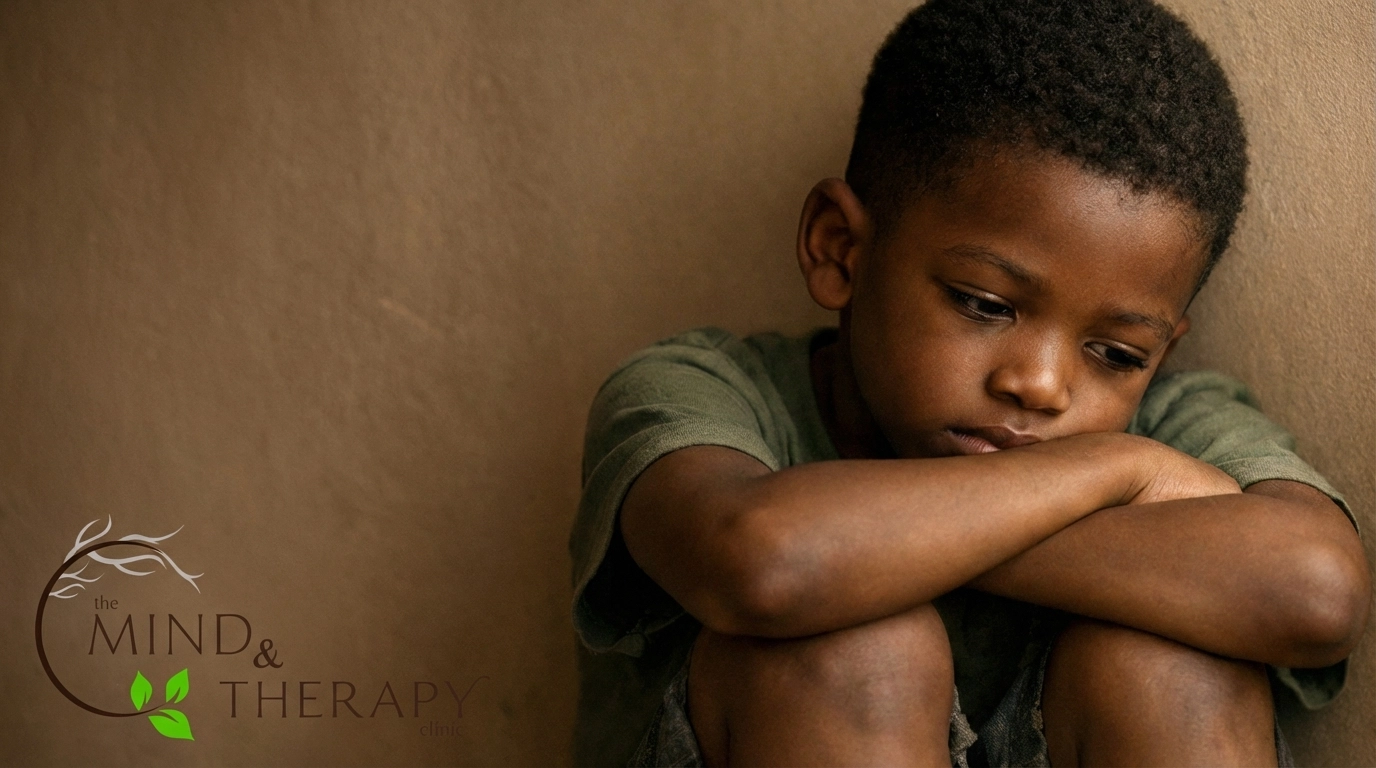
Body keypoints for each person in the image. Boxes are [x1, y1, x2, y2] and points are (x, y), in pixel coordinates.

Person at [568, 1, 1370, 765]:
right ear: (841, 248)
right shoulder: (699, 390)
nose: (1042, 385)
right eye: (985, 305)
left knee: (1173, 668)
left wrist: (866, 541)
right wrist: (1113, 470)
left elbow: (1314, 590)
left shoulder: (1179, 417)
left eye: (1118, 354)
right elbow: (766, 561)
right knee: (855, 652)